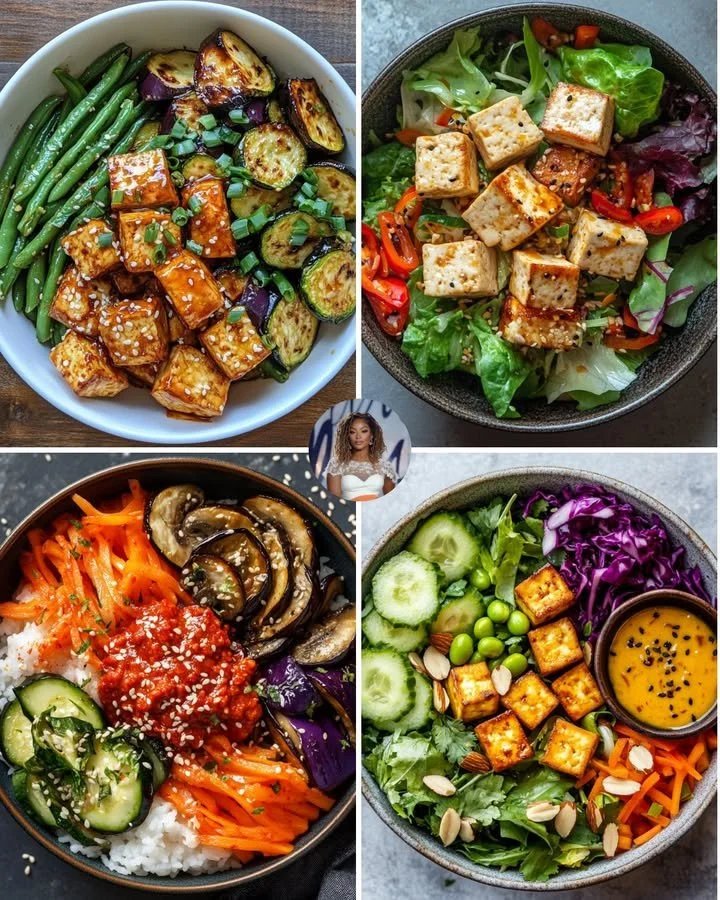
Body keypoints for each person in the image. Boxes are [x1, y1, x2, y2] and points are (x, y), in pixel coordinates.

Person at [326, 413, 397, 501]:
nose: (358, 437)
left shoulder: (385, 467)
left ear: (372, 435)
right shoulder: (336, 465)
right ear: (347, 437)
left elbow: (391, 500)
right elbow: (335, 502)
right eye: (352, 432)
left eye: (364, 431)